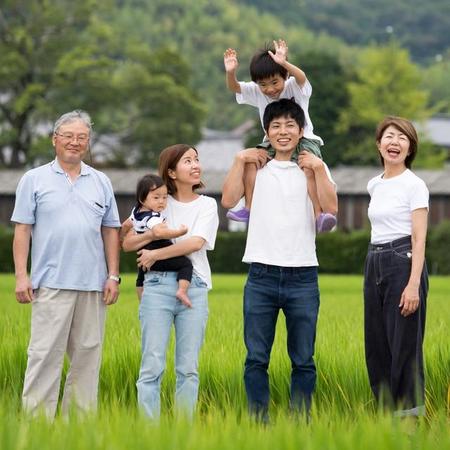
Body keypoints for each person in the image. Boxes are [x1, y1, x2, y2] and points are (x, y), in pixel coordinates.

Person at [222, 99, 338, 421]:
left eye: (290, 125)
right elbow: (229, 200)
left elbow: (332, 209)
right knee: (256, 358)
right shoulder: (255, 166)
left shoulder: (313, 165)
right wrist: (238, 157)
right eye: (276, 126)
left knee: (303, 359)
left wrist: (316, 169)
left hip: (303, 275)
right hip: (261, 274)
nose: (283, 131)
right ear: (267, 132)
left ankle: (299, 422)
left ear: (301, 131)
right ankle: (259, 423)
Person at [11, 110, 121, 419]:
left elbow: (111, 230)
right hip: (51, 283)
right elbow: (22, 230)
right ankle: (36, 423)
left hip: (93, 285)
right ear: (55, 140)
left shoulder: (100, 181)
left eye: (82, 137)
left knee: (88, 356)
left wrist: (113, 274)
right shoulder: (33, 179)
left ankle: (79, 424)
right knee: (44, 355)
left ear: (88, 142)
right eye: (68, 136)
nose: (75, 142)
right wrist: (22, 276)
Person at [122, 144, 219, 420]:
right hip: (157, 286)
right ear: (171, 172)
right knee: (151, 364)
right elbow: (127, 242)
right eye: (188, 161)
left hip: (195, 285)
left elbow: (195, 242)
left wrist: (155, 252)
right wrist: (149, 238)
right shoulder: (158, 201)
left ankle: (183, 432)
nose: (196, 164)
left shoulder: (207, 205)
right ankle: (150, 433)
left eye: (197, 159)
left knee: (188, 368)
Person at [223, 39, 336, 232]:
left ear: (285, 76)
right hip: (271, 142)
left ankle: (319, 215)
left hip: (305, 139)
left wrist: (284, 63)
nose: (270, 89)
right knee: (252, 163)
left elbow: (301, 77)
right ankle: (248, 207)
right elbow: (235, 88)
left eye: (275, 82)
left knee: (308, 168)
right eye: (263, 84)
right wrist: (231, 72)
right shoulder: (257, 91)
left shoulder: (294, 86)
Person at [364, 116, 429, 418]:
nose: (395, 142)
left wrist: (413, 284)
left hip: (403, 263)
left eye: (403, 138)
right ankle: (386, 413)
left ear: (410, 148)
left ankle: (410, 416)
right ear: (379, 144)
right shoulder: (374, 184)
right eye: (390, 136)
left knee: (404, 343)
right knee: (377, 341)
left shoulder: (414, 185)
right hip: (374, 261)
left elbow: (418, 237)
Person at [126, 173, 193, 307]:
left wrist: (120, 235)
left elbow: (125, 226)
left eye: (164, 197)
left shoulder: (136, 212)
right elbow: (158, 232)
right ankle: (182, 290)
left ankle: (142, 304)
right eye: (156, 197)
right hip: (157, 253)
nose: (161, 201)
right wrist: (179, 232)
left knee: (141, 278)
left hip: (142, 253)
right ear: (142, 198)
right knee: (186, 264)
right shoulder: (153, 216)